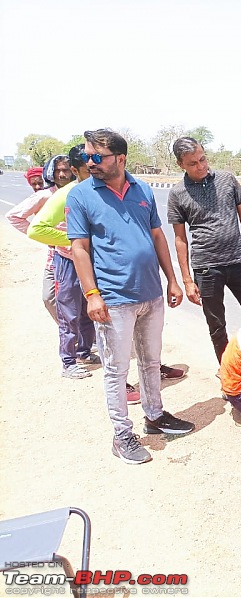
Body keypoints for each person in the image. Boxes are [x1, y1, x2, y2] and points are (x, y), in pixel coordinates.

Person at [66, 129, 194, 465]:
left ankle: (155, 416)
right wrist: (92, 295)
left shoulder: (142, 190)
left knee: (152, 362)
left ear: (120, 159)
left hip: (151, 293)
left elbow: (157, 236)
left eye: (98, 157)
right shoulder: (81, 196)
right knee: (116, 370)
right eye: (88, 156)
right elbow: (79, 249)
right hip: (113, 299)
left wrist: (173, 280)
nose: (90, 162)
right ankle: (122, 435)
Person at [167, 136, 241, 362]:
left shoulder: (227, 180)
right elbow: (180, 239)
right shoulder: (177, 193)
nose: (201, 166)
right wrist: (187, 281)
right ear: (180, 165)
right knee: (217, 326)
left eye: (202, 159)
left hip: (239, 262)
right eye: (193, 163)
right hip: (206, 269)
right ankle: (228, 375)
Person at [28, 146, 98, 380]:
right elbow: (36, 229)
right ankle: (68, 362)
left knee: (89, 311)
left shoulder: (99, 189)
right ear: (77, 170)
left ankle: (84, 352)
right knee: (68, 312)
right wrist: (72, 240)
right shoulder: (67, 193)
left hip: (92, 261)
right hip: (68, 262)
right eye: (88, 169)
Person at [6, 157, 75, 323]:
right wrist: (48, 238)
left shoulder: (82, 191)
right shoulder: (45, 196)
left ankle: (85, 337)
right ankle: (67, 329)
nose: (62, 174)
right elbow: (14, 217)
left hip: (83, 252)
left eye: (66, 170)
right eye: (58, 170)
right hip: (57, 254)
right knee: (50, 297)